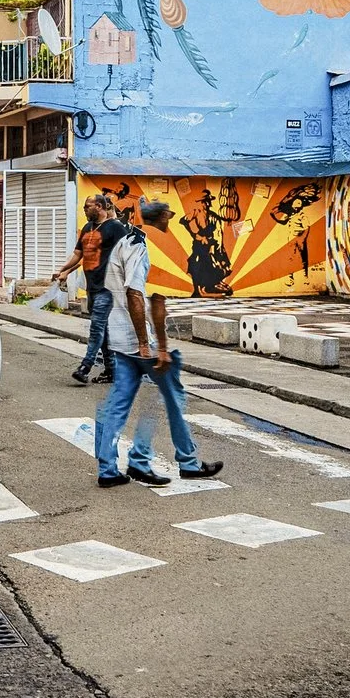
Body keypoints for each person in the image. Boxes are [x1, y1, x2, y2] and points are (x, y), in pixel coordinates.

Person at [92, 199, 224, 489]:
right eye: (170, 216)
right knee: (169, 399)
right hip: (140, 338)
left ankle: (109, 468)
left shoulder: (127, 238)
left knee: (120, 402)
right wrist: (151, 345)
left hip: (119, 334)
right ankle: (174, 462)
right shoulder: (146, 245)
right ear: (164, 217)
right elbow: (139, 295)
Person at [48, 194, 123, 384]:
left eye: (86, 206)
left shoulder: (115, 228)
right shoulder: (88, 228)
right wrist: (63, 271)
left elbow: (127, 253)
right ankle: (111, 371)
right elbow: (79, 256)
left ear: (98, 206)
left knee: (96, 327)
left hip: (108, 287)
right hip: (93, 287)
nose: (84, 209)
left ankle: (85, 367)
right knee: (103, 329)